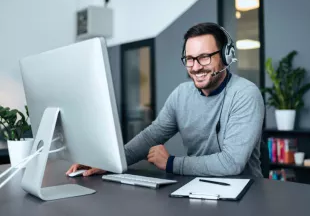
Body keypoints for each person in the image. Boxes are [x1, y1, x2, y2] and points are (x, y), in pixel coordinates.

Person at [66, 22, 265, 177]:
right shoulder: (181, 94)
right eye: (189, 59)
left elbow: (232, 163)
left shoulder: (245, 94)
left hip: (244, 193)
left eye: (204, 57)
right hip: (197, 187)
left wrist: (171, 163)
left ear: (225, 56)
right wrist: (110, 162)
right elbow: (151, 136)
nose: (195, 67)